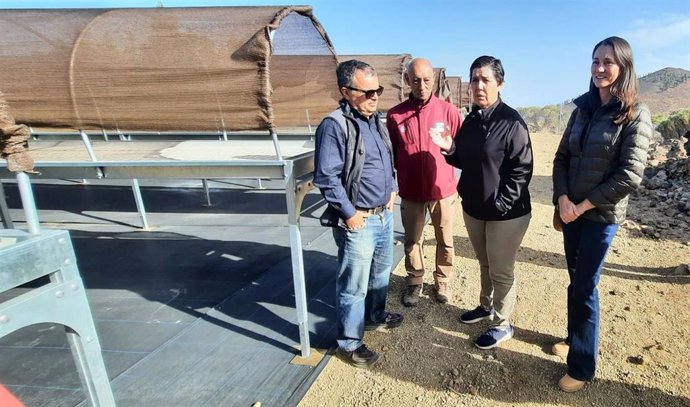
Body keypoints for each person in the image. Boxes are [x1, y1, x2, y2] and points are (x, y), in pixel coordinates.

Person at [551, 36, 652, 392]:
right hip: (571, 212)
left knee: (585, 286)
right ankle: (573, 336)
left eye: (608, 61)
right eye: (595, 61)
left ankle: (581, 366)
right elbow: (562, 157)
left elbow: (629, 174)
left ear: (623, 66)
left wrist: (583, 205)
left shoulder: (636, 113)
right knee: (575, 280)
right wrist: (562, 197)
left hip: (600, 216)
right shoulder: (582, 110)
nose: (599, 68)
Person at [430, 56, 533, 349]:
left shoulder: (511, 122)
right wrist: (450, 148)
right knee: (484, 263)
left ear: (499, 83)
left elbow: (522, 169)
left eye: (485, 79)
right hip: (474, 209)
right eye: (474, 79)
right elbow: (464, 158)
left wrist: (501, 204)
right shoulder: (472, 120)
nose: (478, 85)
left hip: (506, 214)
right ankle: (485, 306)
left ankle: (502, 324)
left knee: (501, 270)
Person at [314, 59, 404, 368]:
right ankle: (349, 344)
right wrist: (350, 213)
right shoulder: (334, 125)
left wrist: (391, 189)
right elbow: (326, 177)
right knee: (353, 285)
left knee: (380, 273)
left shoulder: (375, 121)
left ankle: (374, 317)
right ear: (346, 91)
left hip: (383, 215)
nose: (375, 96)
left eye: (377, 90)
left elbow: (387, 160)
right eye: (367, 92)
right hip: (359, 221)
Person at [386, 57, 463, 306]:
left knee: (445, 238)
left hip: (443, 191)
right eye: (416, 80)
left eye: (427, 80)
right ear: (407, 80)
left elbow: (461, 150)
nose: (421, 85)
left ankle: (442, 279)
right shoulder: (396, 116)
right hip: (411, 191)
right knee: (412, 239)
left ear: (434, 80)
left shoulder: (449, 112)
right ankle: (415, 281)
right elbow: (392, 152)